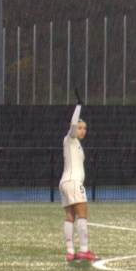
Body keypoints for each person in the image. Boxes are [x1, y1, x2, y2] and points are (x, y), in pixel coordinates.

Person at [60, 93, 98, 261]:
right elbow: (73, 125)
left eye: (84, 128)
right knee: (82, 214)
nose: (82, 130)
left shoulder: (75, 144)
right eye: (80, 127)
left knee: (70, 216)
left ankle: (70, 252)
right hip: (74, 182)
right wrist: (78, 106)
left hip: (65, 182)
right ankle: (84, 249)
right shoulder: (70, 138)